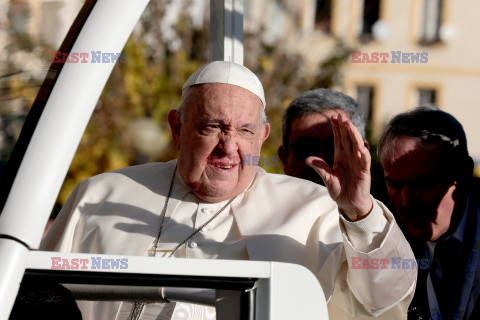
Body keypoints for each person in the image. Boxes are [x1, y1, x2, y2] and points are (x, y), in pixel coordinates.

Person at [42, 61, 415, 320]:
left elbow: (383, 300)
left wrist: (360, 212)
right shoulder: (100, 195)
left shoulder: (315, 208)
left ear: (263, 137)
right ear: (177, 128)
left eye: (245, 131)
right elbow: (38, 297)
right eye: (212, 126)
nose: (228, 146)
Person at [377, 105, 480, 319]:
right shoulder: (377, 229)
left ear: (464, 175)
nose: (406, 201)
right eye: (394, 184)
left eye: (423, 183)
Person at [278, 88, 390, 203]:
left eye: (336, 147)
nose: (320, 159)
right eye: (306, 147)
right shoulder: (267, 211)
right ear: (285, 157)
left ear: (362, 154)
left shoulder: (392, 213)